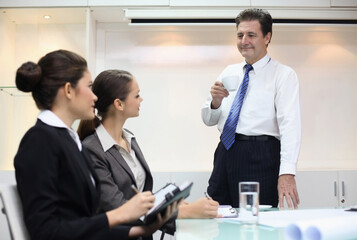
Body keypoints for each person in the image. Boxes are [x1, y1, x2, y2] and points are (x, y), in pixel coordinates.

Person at [14, 50, 177, 240]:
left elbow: (86, 221)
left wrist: (138, 231)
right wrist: (122, 214)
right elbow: (46, 232)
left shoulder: (69, 140)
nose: (95, 97)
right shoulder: (39, 142)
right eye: (89, 87)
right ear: (68, 90)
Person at [77, 70, 220, 224]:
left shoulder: (129, 137)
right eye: (137, 95)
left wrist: (169, 204)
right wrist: (183, 212)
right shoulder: (92, 150)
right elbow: (117, 207)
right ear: (119, 104)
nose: (141, 99)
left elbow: (140, 196)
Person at [201, 8, 301, 209]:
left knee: (257, 222)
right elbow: (209, 120)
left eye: (251, 35)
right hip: (225, 152)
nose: (244, 40)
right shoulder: (229, 71)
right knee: (217, 215)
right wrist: (215, 103)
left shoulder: (283, 75)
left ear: (267, 37)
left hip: (261, 155)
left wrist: (287, 172)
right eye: (240, 35)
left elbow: (290, 125)